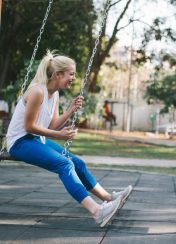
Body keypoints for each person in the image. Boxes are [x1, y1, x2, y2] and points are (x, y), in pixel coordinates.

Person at [6, 50, 132, 227]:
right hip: (20, 142)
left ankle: (108, 198)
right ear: (58, 74)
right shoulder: (37, 91)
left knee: (78, 163)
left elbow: (52, 125)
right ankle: (97, 212)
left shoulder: (55, 94)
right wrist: (59, 135)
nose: (73, 78)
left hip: (35, 140)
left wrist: (71, 110)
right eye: (71, 74)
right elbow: (29, 126)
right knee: (65, 164)